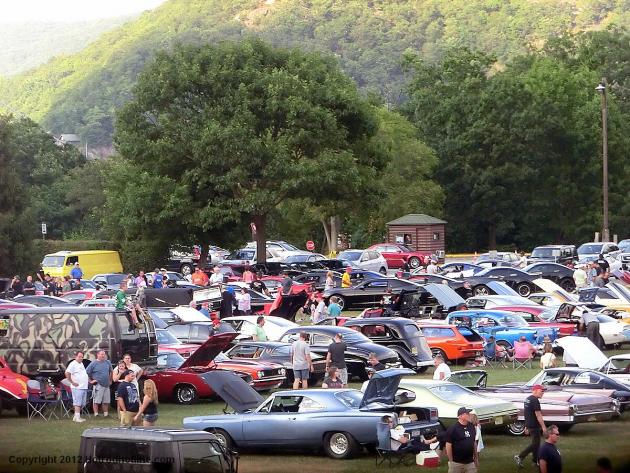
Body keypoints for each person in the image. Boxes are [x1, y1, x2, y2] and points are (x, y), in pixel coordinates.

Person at [514, 384, 546, 468]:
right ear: (535, 390)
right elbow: (538, 415)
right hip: (534, 425)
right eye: (541, 391)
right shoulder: (535, 400)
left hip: (530, 425)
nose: (543, 393)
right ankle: (520, 456)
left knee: (536, 443)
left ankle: (535, 461)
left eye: (543, 391)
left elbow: (527, 413)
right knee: (535, 444)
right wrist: (543, 427)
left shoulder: (527, 399)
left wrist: (526, 426)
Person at [445, 407, 478, 472]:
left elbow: (473, 443)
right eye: (467, 413)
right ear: (460, 416)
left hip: (470, 462)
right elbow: (448, 445)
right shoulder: (453, 429)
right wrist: (451, 461)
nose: (469, 415)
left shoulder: (471, 426)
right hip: (456, 462)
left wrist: (476, 458)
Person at [86, 350, 112, 417]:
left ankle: (106, 414)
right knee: (96, 400)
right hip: (98, 384)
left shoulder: (108, 362)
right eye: (101, 354)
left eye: (104, 354)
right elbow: (86, 372)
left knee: (106, 400)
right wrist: (90, 381)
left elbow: (111, 371)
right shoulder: (93, 363)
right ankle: (96, 414)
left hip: (106, 384)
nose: (103, 356)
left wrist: (110, 380)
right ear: (97, 355)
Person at [65, 351, 89, 423]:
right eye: (79, 356)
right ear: (75, 357)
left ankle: (75, 417)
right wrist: (72, 382)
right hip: (77, 387)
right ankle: (77, 418)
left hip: (84, 386)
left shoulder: (81, 363)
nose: (81, 358)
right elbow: (67, 373)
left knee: (83, 403)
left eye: (82, 357)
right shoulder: (73, 364)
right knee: (78, 403)